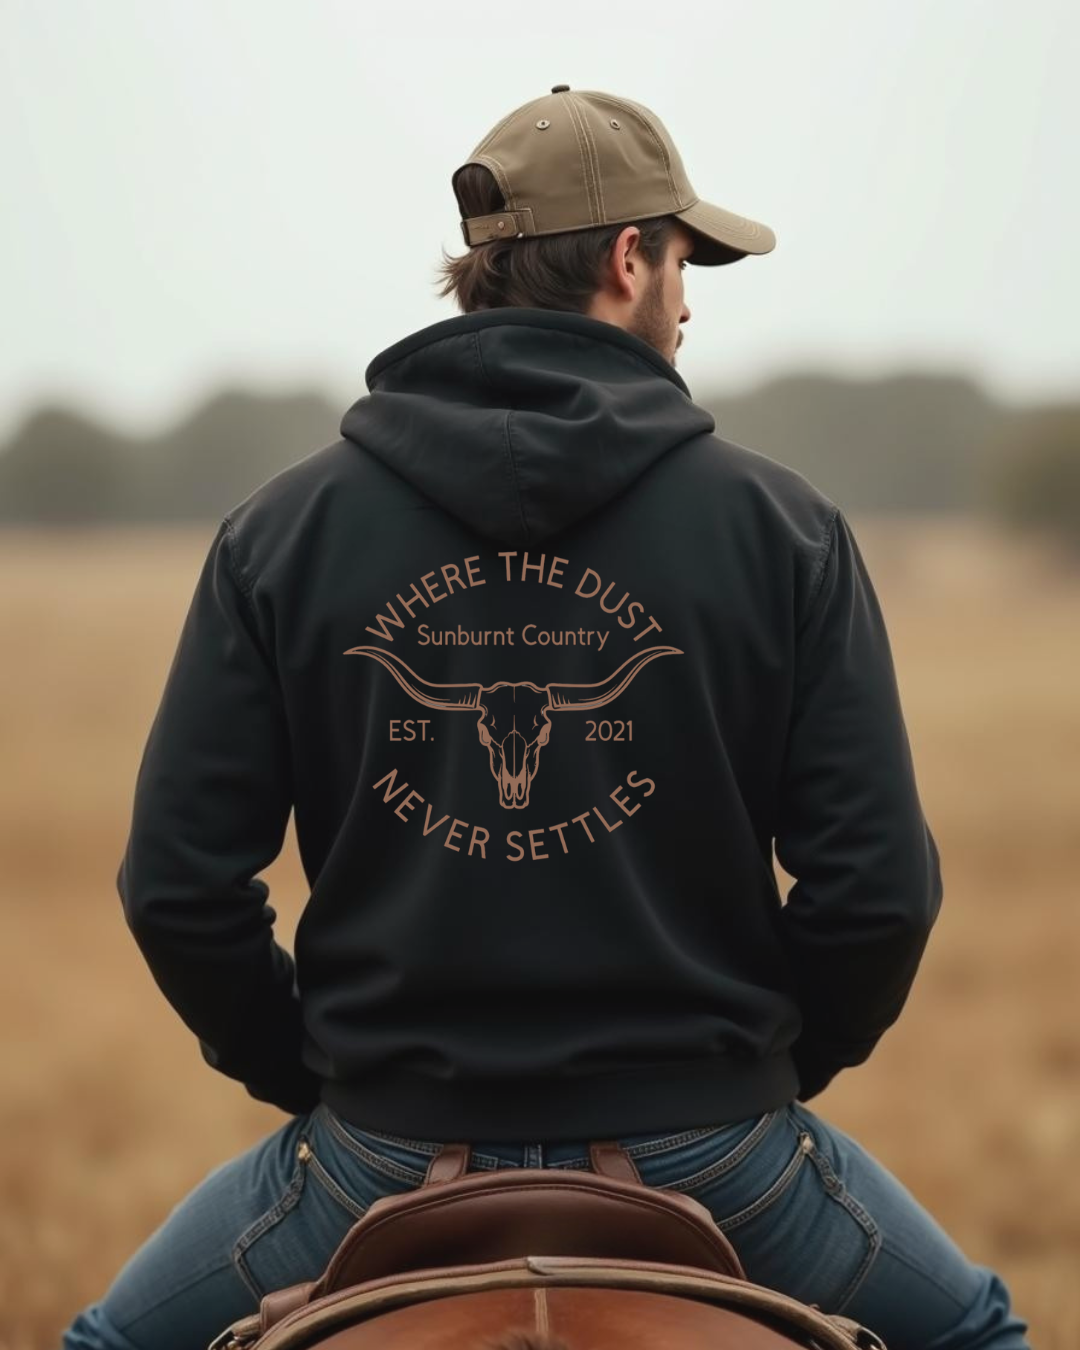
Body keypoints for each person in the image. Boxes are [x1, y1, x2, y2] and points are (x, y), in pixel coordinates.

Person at [62, 86, 1030, 1350]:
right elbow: (880, 892)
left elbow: (178, 888)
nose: (688, 302)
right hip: (718, 1148)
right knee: (978, 1339)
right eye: (687, 265)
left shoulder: (279, 533)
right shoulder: (783, 529)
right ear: (630, 261)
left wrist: (327, 1079)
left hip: (381, 1152)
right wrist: (754, 1078)